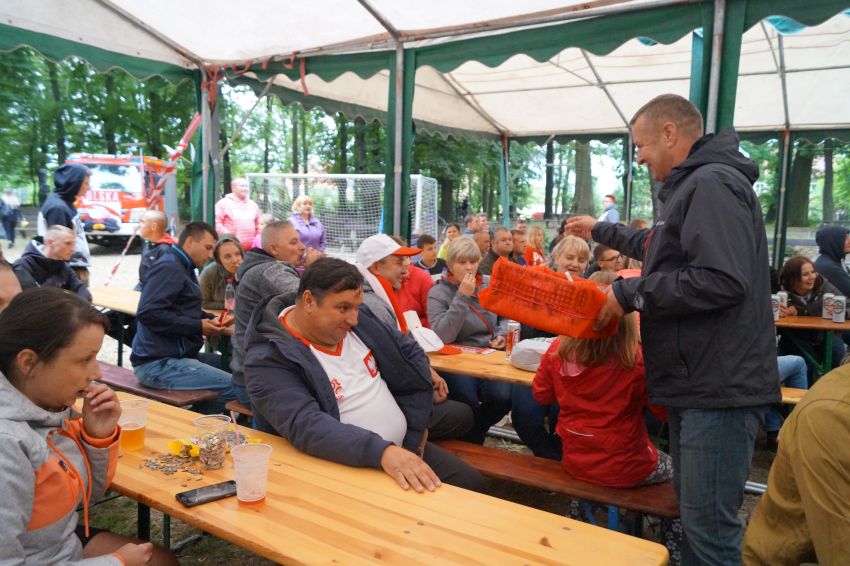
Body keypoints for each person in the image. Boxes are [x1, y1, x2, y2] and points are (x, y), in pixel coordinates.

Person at [567, 93, 779, 564]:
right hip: (697, 382)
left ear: (669, 133)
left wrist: (628, 294)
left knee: (709, 532)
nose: (639, 157)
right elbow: (660, 244)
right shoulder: (694, 185)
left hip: (717, 386)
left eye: (641, 145)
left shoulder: (712, 183)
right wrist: (600, 230)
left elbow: (721, 279)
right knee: (698, 522)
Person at [243, 257, 486, 492]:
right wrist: (383, 452)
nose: (353, 318)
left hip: (401, 448)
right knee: (451, 501)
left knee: (473, 484)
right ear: (308, 301)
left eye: (357, 307)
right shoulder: (267, 358)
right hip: (348, 466)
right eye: (343, 308)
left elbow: (407, 348)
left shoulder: (355, 321)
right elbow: (306, 425)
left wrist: (416, 427)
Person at [0, 288, 176, 565]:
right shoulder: (7, 444)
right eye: (85, 359)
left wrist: (97, 437)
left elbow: (84, 497)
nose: (97, 373)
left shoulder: (51, 409)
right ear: (29, 362)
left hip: (59, 546)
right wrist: (116, 562)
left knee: (160, 559)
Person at [533, 271, 670, 487]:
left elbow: (541, 395)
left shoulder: (558, 350)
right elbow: (663, 412)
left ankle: (585, 503)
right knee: (677, 471)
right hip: (625, 465)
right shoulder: (637, 359)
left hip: (575, 459)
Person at [356, 234, 473, 441]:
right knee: (465, 412)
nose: (406, 268)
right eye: (398, 262)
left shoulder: (376, 294)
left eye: (407, 260)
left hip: (393, 395)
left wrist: (428, 372)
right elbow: (397, 363)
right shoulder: (373, 305)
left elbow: (405, 346)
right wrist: (426, 385)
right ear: (376, 267)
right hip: (389, 407)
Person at [742, 361, 850, 565]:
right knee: (799, 364)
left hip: (736, 378)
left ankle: (779, 427)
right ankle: (778, 426)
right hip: (732, 382)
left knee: (800, 363)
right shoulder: (832, 413)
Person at [131, 222, 237, 415]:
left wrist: (210, 319)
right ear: (189, 242)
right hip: (158, 364)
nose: (210, 255)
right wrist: (197, 325)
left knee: (239, 372)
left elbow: (182, 309)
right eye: (207, 248)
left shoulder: (182, 266)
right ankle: (194, 424)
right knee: (235, 387)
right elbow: (148, 313)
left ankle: (198, 419)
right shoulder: (170, 267)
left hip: (177, 357)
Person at [428, 237, 511, 443]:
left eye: (473, 261)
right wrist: (462, 296)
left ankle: (474, 434)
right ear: (450, 265)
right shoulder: (438, 292)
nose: (469, 267)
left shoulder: (489, 283)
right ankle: (473, 441)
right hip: (456, 357)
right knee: (467, 400)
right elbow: (442, 336)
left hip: (489, 354)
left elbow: (505, 315)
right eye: (462, 262)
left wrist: (501, 334)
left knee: (503, 398)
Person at [231, 220, 316, 409]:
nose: (302, 247)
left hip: (248, 376)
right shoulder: (270, 270)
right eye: (293, 242)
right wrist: (316, 268)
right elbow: (314, 303)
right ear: (274, 249)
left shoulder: (261, 267)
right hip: (258, 385)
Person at [778, 255, 845, 376]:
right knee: (805, 362)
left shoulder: (825, 286)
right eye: (805, 274)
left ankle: (833, 385)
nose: (812, 277)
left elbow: (847, 304)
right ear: (792, 278)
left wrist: (842, 311)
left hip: (823, 334)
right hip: (795, 337)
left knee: (837, 351)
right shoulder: (780, 294)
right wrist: (782, 315)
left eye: (813, 272)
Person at [38, 163, 92, 285]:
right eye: (86, 183)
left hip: (73, 268)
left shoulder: (66, 203)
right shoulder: (58, 208)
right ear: (74, 182)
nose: (89, 187)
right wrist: (66, 279)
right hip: (68, 271)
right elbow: (58, 248)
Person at [12, 225, 91, 301]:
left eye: (74, 244)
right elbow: (33, 300)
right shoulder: (23, 266)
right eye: (68, 243)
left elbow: (82, 290)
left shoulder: (64, 267)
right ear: (50, 242)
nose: (73, 249)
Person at [763, 355, 808, 451]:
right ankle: (795, 428)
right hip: (750, 369)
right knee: (799, 363)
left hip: (739, 367)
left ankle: (774, 431)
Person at [214, 177, 260, 251]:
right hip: (230, 247)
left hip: (251, 249)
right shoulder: (223, 203)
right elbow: (217, 222)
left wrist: (256, 240)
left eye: (246, 186)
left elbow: (258, 224)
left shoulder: (253, 205)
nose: (245, 188)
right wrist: (228, 236)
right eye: (242, 186)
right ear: (233, 188)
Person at [199, 235, 244, 310]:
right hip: (221, 315)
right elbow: (203, 303)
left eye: (237, 254)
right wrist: (229, 306)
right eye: (227, 256)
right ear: (219, 260)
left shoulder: (249, 271)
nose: (234, 260)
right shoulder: (209, 273)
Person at [137, 210, 176, 290]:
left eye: (142, 222)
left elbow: (166, 282)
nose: (139, 225)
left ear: (154, 226)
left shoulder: (165, 250)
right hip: (143, 286)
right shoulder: (148, 243)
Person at [812, 224, 850, 296]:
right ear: (833, 242)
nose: (849, 241)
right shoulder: (829, 267)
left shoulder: (834, 261)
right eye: (845, 238)